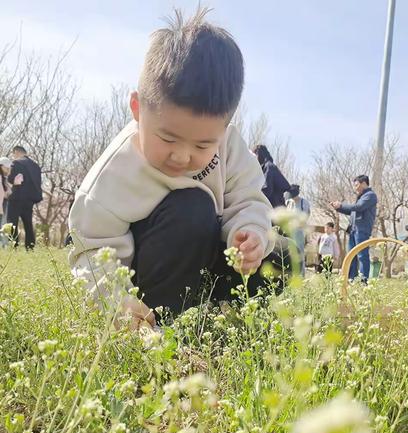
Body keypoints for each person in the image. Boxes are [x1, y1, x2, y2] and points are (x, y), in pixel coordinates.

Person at [69, 10, 281, 326]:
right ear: (138, 109)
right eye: (168, 138)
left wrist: (250, 234)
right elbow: (93, 256)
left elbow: (249, 198)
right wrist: (120, 306)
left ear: (224, 128)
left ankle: (227, 319)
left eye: (202, 146)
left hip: (203, 260)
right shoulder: (110, 179)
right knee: (192, 208)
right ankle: (166, 326)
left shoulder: (229, 144)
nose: (182, 157)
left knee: (280, 255)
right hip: (149, 276)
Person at [330, 175, 377, 282]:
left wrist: (341, 205)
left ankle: (363, 280)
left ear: (364, 183)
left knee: (362, 255)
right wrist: (338, 208)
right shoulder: (360, 197)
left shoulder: (370, 195)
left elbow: (358, 207)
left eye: (356, 185)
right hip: (353, 229)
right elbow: (352, 211)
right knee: (351, 255)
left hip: (362, 229)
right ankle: (351, 278)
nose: (355, 188)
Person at [7, 146, 42, 249]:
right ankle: (30, 246)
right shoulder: (36, 166)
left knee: (12, 222)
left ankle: (14, 246)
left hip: (16, 198)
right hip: (30, 199)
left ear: (16, 152)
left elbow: (10, 178)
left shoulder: (16, 163)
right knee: (28, 224)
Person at [285, 184, 310, 275]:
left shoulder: (304, 202)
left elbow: (305, 217)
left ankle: (301, 275)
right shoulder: (288, 202)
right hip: (289, 232)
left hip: (299, 232)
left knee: (299, 253)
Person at [0, 157, 12, 227]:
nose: (8, 170)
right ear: (1, 166)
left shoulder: (3, 178)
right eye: (7, 168)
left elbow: (9, 192)